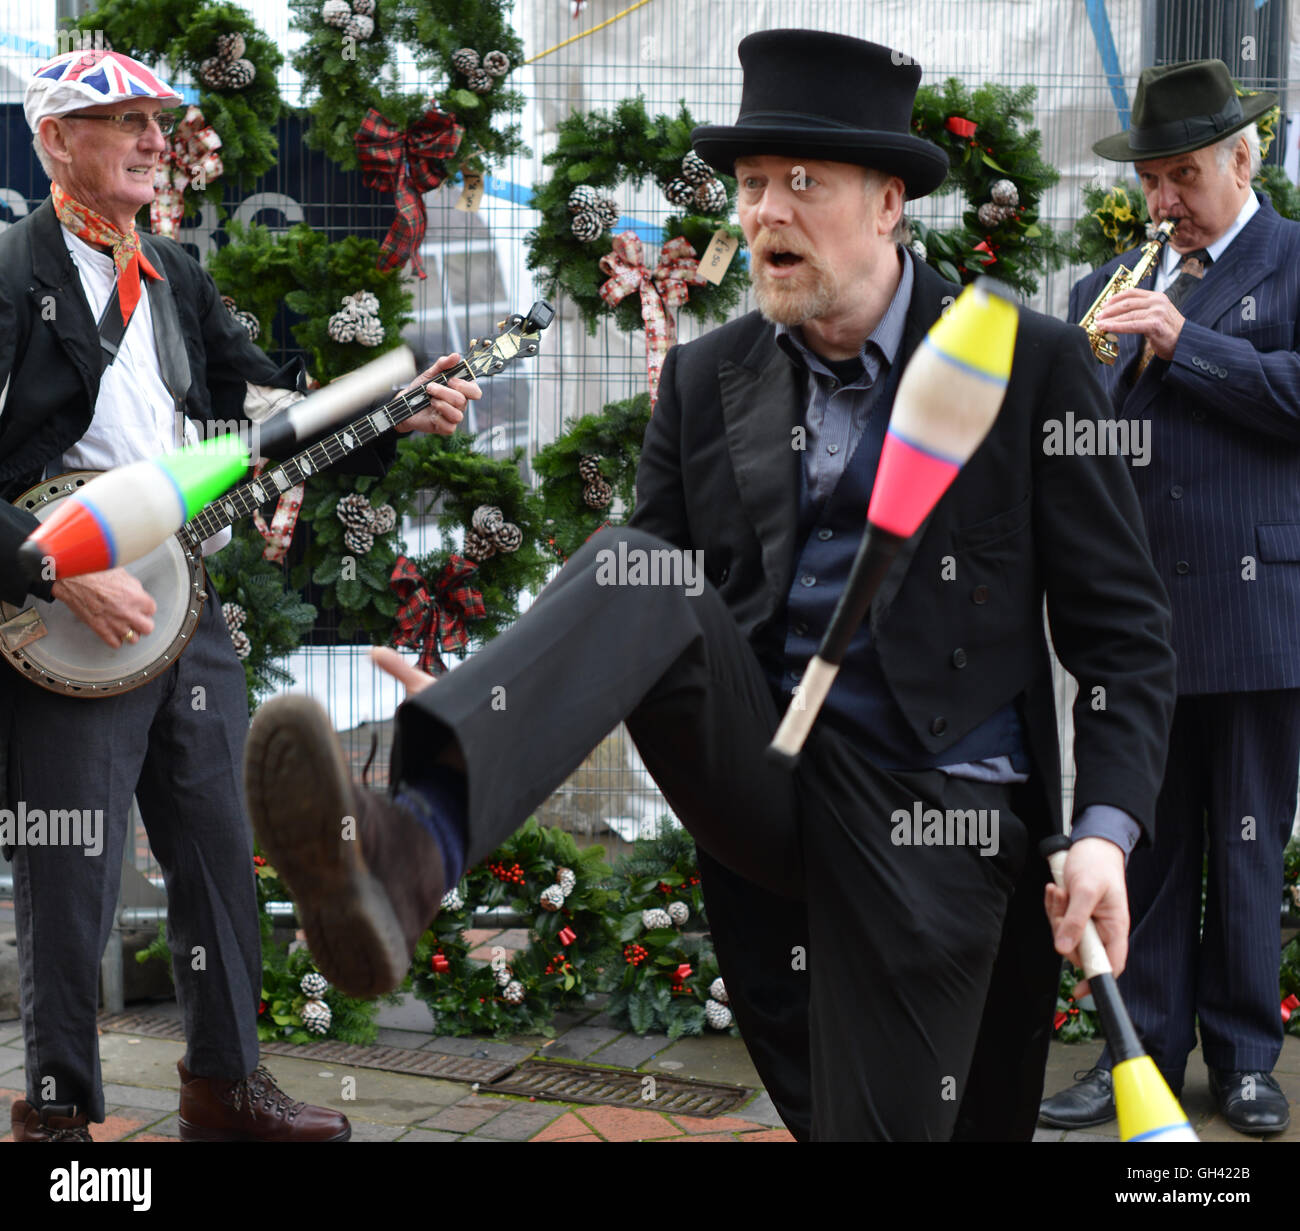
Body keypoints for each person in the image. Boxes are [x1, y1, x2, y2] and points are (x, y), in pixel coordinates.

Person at [245, 30, 1176, 1140]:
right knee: (636, 566)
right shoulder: (706, 374)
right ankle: (413, 847)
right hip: (765, 772)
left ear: (888, 203)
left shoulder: (1024, 361)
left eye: (802, 184)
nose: (765, 212)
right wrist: (492, 689)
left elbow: (1122, 632)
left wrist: (1107, 830)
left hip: (931, 804)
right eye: (748, 186)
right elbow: (634, 603)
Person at [0, 49, 477, 1141]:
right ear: (54, 140)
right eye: (124, 119)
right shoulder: (6, 271)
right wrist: (52, 561)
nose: (154, 139)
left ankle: (225, 1088)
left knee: (217, 849)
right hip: (67, 618)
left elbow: (264, 415)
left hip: (184, 607)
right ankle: (60, 1122)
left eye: (162, 122)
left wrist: (393, 411)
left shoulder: (170, 272)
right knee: (72, 873)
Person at [1040, 59, 1300, 1136]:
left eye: (1182, 174)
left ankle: (1244, 1058)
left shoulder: (1294, 263)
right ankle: (1129, 1051)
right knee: (1135, 843)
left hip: (1256, 609)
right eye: (1151, 178)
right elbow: (1078, 444)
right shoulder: (1105, 282)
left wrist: (1186, 344)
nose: (1161, 201)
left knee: (1243, 841)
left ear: (1243, 161)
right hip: (1135, 622)